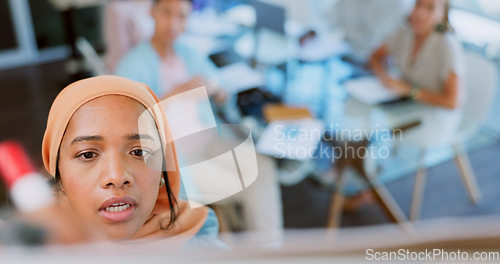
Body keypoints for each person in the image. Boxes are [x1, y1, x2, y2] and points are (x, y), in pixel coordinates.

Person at [115, 0, 283, 246]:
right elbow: (127, 123)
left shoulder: (190, 54)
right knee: (250, 180)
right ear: (152, 13)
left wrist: (218, 91)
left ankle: (269, 250)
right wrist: (178, 91)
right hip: (176, 158)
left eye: (181, 17)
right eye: (167, 13)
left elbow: (224, 92)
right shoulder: (131, 65)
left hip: (212, 140)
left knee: (263, 165)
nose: (173, 23)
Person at [41, 75, 220, 247]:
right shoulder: (33, 249)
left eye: (139, 151)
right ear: (58, 173)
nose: (117, 176)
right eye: (88, 155)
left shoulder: (199, 241)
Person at [369, 0, 465, 146]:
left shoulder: (447, 45)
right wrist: (384, 75)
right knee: (369, 121)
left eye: (430, 8)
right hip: (406, 104)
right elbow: (375, 56)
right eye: (418, 4)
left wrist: (409, 90)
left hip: (436, 114)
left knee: (377, 130)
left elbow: (452, 102)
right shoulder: (404, 32)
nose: (420, 13)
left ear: (442, 14)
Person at [104, 0, 155, 72]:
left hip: (150, 67)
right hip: (125, 70)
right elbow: (120, 53)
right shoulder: (118, 9)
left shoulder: (152, 3)